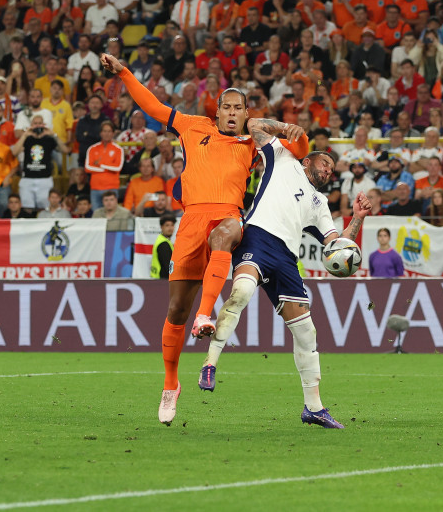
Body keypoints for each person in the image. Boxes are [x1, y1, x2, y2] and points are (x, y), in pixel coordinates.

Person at [100, 52, 308, 426]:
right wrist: (125, 72)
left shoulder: (252, 142)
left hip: (227, 215)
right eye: (225, 106)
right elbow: (152, 105)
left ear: (246, 114)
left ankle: (204, 315)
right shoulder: (193, 126)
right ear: (216, 111)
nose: (230, 112)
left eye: (238, 108)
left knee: (227, 233)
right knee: (174, 312)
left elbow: (301, 149)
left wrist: (277, 126)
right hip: (191, 221)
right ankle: (170, 383)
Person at [198, 117, 372, 429]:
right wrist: (285, 127)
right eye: (324, 163)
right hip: (257, 239)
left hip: (286, 259)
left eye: (332, 170)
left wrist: (357, 218)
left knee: (307, 332)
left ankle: (314, 408)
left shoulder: (320, 204)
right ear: (308, 159)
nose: (328, 170)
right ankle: (210, 363)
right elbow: (253, 125)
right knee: (241, 292)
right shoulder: (282, 157)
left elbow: (337, 244)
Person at [12, 117, 68, 211]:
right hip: (28, 179)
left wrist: (54, 134)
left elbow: (64, 150)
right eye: (35, 123)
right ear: (31, 125)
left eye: (40, 123)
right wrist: (24, 135)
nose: (37, 125)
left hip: (44, 179)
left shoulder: (49, 139)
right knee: (27, 208)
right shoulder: (27, 139)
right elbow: (14, 152)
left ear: (44, 125)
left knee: (44, 207)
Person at [151, 215, 176, 280]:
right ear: (161, 227)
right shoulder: (163, 244)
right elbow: (168, 266)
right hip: (162, 280)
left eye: (172, 225)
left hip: (158, 279)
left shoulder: (163, 240)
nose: (170, 228)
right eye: (167, 225)